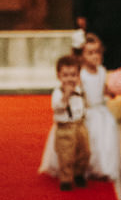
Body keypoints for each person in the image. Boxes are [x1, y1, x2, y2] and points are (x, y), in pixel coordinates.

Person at [39, 54, 91, 191]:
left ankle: (79, 173)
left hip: (79, 125)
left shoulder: (79, 90)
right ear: (59, 76)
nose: (69, 79)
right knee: (66, 154)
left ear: (78, 76)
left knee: (84, 151)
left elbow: (82, 104)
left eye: (73, 75)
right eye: (65, 75)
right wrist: (66, 95)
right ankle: (66, 178)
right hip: (65, 128)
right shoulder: (58, 92)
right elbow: (57, 106)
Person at [76, 33, 120, 181]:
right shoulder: (81, 75)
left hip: (102, 111)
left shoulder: (101, 70)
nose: (95, 56)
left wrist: (112, 92)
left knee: (106, 139)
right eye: (90, 53)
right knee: (91, 141)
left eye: (97, 52)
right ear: (82, 55)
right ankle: (87, 168)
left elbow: (103, 90)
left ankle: (103, 168)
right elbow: (79, 95)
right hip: (88, 112)